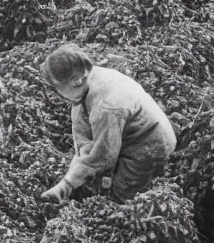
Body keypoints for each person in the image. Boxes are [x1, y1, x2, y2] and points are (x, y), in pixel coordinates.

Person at [39, 44, 177, 205]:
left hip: (149, 147)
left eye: (57, 88)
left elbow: (103, 156)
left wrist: (66, 185)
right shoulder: (90, 78)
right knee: (98, 179)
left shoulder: (105, 105)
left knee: (123, 197)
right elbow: (85, 138)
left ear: (76, 82)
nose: (57, 93)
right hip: (131, 136)